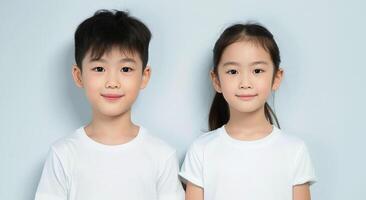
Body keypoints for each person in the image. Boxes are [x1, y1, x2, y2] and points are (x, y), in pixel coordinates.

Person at [35, 9, 184, 200]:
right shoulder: (63, 155)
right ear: (79, 76)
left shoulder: (161, 156)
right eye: (99, 68)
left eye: (125, 69)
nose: (112, 82)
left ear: (144, 76)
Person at [180, 23, 316, 200]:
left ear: (276, 78)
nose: (245, 82)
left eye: (257, 70)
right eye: (233, 71)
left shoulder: (295, 150)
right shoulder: (201, 150)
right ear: (217, 80)